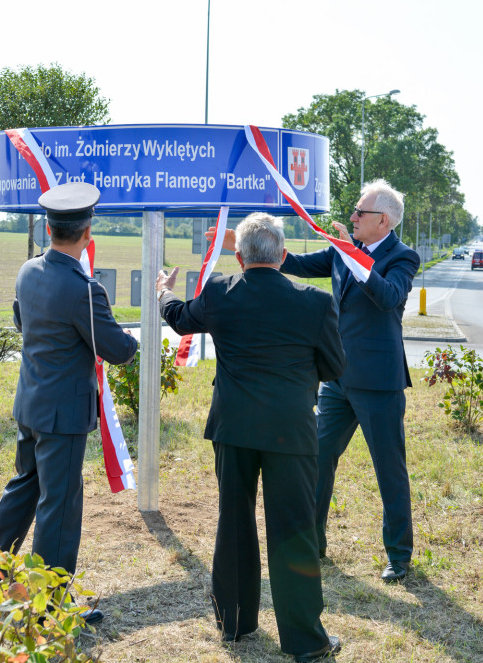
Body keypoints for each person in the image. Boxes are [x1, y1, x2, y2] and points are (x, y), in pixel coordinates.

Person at [157, 212, 347, 662]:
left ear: (239, 257)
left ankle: (235, 622)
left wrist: (163, 291)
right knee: (294, 530)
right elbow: (335, 366)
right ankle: (305, 641)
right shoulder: (315, 301)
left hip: (234, 427)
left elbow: (180, 319)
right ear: (283, 255)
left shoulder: (219, 291)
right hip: (291, 429)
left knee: (234, 523)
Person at [211, 179, 419, 583]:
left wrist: (353, 256)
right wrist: (250, 247)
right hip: (337, 379)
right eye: (355, 210)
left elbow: (389, 297)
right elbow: (298, 264)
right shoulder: (344, 250)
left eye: (360, 212)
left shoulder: (402, 257)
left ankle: (399, 554)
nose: (352, 217)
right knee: (317, 459)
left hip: (379, 382)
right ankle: (313, 542)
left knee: (389, 469)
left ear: (383, 220)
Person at [0, 182, 137, 621]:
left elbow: (21, 320)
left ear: (48, 229)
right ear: (88, 232)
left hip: (30, 403)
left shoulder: (28, 271)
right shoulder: (84, 289)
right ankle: (49, 611)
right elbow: (117, 350)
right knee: (59, 508)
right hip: (63, 415)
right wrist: (131, 339)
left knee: (23, 488)